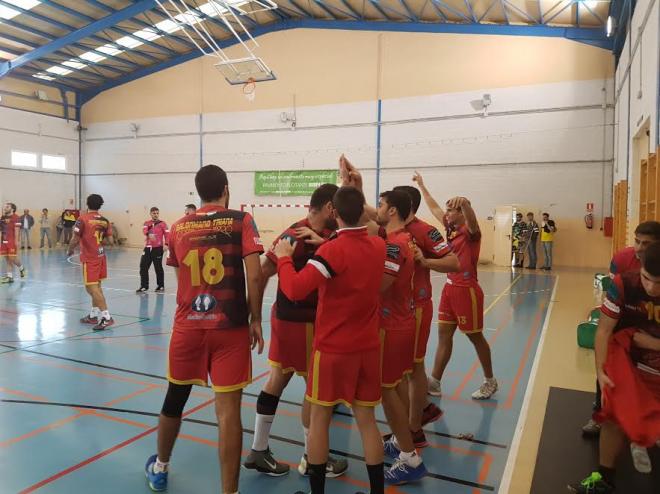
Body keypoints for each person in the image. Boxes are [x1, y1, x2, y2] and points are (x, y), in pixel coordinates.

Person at [145, 165, 265, 494]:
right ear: (226, 188)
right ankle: (230, 491)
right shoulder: (242, 221)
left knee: (175, 398)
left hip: (189, 327)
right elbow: (254, 275)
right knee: (228, 413)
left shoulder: (179, 227)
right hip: (230, 326)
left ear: (198, 192)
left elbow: (178, 273)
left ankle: (161, 466)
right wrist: (255, 318)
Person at [273, 186, 386, 494]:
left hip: (333, 349)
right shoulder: (377, 246)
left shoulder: (331, 251)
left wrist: (284, 259)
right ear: (363, 211)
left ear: (333, 213)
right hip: (368, 348)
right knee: (368, 422)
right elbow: (372, 233)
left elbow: (295, 290)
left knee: (320, 420)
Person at [243, 184, 348, 478]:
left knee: (278, 378)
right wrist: (255, 314)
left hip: (293, 321)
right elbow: (264, 269)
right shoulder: (295, 234)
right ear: (329, 208)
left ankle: (258, 450)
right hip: (301, 323)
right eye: (337, 208)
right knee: (315, 390)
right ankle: (312, 458)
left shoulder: (326, 236)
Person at [568, 242, 660, 493]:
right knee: (612, 417)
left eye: (658, 283)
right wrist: (599, 371)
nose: (651, 287)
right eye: (646, 278)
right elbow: (604, 330)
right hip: (631, 363)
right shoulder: (623, 284)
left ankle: (644, 437)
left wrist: (651, 342)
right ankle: (604, 478)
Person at [415, 182, 498, 400]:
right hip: (450, 288)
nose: (447, 213)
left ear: (461, 213)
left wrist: (466, 204)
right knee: (444, 336)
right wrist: (422, 186)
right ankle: (435, 382)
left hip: (466, 290)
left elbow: (471, 219)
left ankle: (490, 381)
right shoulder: (450, 228)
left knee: (475, 336)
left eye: (452, 209)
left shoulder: (471, 232)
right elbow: (434, 208)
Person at [393, 183, 460, 448]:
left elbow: (454, 262)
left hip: (417, 307)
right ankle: (421, 411)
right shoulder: (394, 230)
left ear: (404, 206)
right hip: (398, 309)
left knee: (414, 366)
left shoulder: (425, 231)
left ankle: (414, 428)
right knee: (404, 370)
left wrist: (425, 262)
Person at [376, 189, 428, 485]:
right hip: (401, 323)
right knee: (393, 387)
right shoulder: (401, 239)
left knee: (386, 390)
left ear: (393, 210)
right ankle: (399, 440)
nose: (379, 209)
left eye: (381, 205)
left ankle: (410, 458)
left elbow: (381, 285)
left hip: (392, 327)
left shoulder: (395, 246)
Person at [67, 194, 114, 331]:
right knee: (96, 287)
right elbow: (110, 242)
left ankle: (106, 317)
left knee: (92, 288)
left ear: (87, 204)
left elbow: (75, 238)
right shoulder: (105, 221)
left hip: (90, 258)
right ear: (100, 205)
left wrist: (70, 250)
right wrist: (98, 241)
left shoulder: (82, 219)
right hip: (101, 257)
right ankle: (93, 315)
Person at [136, 207, 169, 294]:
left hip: (158, 248)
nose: (156, 215)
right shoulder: (147, 223)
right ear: (150, 214)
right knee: (143, 266)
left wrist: (166, 244)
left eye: (157, 213)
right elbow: (144, 230)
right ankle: (144, 286)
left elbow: (167, 234)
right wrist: (148, 234)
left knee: (158, 267)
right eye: (154, 213)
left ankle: (160, 286)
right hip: (147, 248)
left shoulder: (163, 224)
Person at [0, 203, 26, 283]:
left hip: (11, 241)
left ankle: (14, 273)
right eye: (5, 207)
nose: (5, 208)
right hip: (3, 241)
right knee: (7, 259)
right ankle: (14, 273)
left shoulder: (16, 218)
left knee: (11, 259)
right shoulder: (2, 217)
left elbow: (17, 230)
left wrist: (16, 241)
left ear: (12, 209)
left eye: (7, 207)